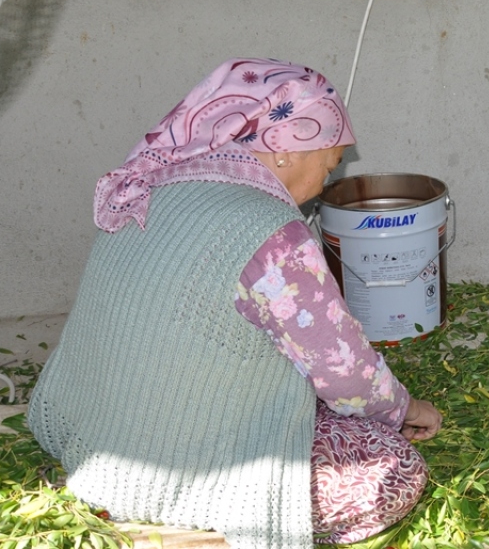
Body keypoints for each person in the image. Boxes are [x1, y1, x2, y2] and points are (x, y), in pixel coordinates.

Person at [27, 59, 443, 548]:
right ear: (287, 149)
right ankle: (204, 526)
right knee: (390, 470)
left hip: (90, 426)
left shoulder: (155, 184)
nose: (322, 187)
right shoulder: (272, 235)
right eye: (328, 166)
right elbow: (345, 373)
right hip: (169, 468)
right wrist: (404, 408)